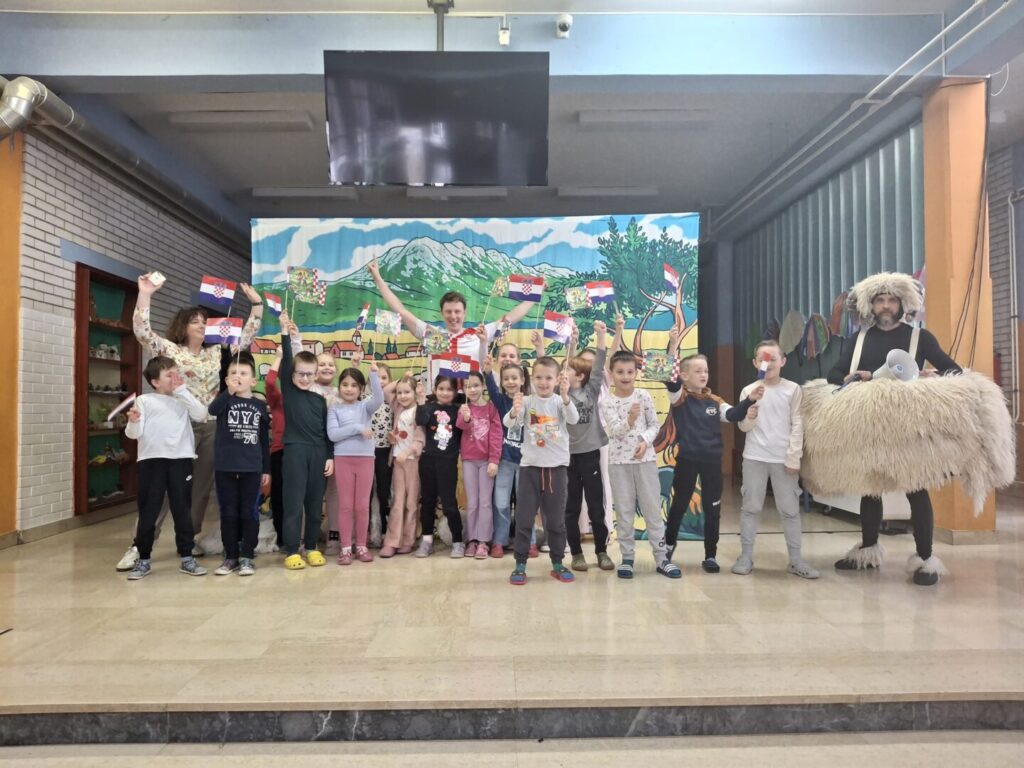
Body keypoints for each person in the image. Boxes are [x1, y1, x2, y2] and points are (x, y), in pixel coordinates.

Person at [116, 274, 263, 571]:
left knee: (199, 488)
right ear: (182, 326)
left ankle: (189, 538)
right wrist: (145, 294)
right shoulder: (170, 350)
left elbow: (246, 338)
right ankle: (140, 544)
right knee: (160, 490)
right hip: (176, 426)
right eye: (195, 321)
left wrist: (257, 306)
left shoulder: (217, 351)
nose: (201, 324)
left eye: (204, 321)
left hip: (210, 426)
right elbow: (142, 332)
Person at [826, 271, 962, 586]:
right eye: (880, 300)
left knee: (916, 489)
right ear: (870, 305)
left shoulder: (920, 338)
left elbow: (953, 369)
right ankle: (868, 551)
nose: (885, 306)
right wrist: (850, 377)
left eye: (891, 300)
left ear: (902, 304)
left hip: (909, 428)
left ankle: (925, 560)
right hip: (871, 426)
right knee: (871, 488)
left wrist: (931, 376)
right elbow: (834, 373)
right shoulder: (857, 340)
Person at [663, 325, 758, 572]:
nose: (703, 374)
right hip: (687, 460)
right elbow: (669, 379)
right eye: (697, 371)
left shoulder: (715, 400)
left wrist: (750, 400)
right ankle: (667, 548)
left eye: (705, 371)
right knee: (679, 505)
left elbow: (734, 415)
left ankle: (710, 555)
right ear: (684, 376)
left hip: (712, 462)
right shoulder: (680, 397)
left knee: (712, 508)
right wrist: (673, 345)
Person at [367, 259, 540, 388]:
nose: (453, 316)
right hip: (438, 401)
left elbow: (510, 318)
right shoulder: (433, 335)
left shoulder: (478, 333)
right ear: (442, 313)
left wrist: (534, 296)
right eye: (448, 312)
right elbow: (401, 311)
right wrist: (378, 278)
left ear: (464, 313)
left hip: (470, 402)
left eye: (457, 311)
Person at [733, 340, 819, 579]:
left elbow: (798, 424)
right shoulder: (749, 390)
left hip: (783, 459)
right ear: (755, 363)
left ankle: (796, 560)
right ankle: (745, 557)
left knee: (790, 511)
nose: (768, 363)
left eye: (772, 358)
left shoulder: (793, 389)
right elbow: (742, 427)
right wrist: (749, 415)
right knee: (751, 508)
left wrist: (794, 457)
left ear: (783, 361)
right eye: (763, 359)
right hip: (754, 457)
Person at [123, 356, 210, 580]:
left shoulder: (183, 399)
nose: (174, 378)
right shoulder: (144, 400)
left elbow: (201, 414)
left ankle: (186, 557)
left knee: (182, 509)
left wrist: (182, 391)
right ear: (155, 382)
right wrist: (133, 421)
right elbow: (133, 434)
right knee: (149, 510)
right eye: (168, 375)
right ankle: (143, 559)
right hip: (151, 461)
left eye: (176, 373)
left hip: (181, 460)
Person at [600, 351, 680, 580]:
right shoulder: (608, 402)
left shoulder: (643, 396)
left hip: (645, 462)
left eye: (630, 372)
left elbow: (654, 425)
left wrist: (645, 441)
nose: (625, 376)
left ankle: (662, 558)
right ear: (612, 374)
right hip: (619, 464)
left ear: (636, 373)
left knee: (653, 510)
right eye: (620, 372)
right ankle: (627, 558)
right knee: (624, 512)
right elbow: (615, 431)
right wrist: (630, 420)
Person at [504, 357, 579, 585]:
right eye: (538, 377)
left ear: (557, 380)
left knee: (555, 521)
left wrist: (566, 397)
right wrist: (515, 410)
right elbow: (509, 423)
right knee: (524, 519)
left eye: (548, 378)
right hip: (530, 469)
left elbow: (574, 419)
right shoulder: (526, 401)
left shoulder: (560, 401)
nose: (543, 382)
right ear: (532, 379)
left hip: (556, 469)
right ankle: (520, 564)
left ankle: (557, 563)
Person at [208, 356, 271, 577]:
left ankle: (247, 556)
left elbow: (263, 440)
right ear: (226, 380)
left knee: (249, 512)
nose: (238, 377)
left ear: (253, 381)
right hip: (225, 467)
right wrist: (228, 392)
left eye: (243, 374)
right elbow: (212, 410)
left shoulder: (260, 406)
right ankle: (231, 556)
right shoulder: (224, 401)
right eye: (233, 374)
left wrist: (266, 469)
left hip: (251, 468)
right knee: (228, 512)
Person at [278, 325, 334, 570]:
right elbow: (287, 359)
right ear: (292, 374)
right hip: (295, 452)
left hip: (318, 453)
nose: (304, 378)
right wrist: (285, 333)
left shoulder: (320, 400)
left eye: (309, 374)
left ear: (315, 375)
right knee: (293, 504)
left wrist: (330, 456)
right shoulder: (289, 392)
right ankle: (292, 550)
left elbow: (327, 432)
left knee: (314, 505)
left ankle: (311, 547)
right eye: (300, 373)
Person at [478, 328, 531, 559]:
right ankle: (499, 541)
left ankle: (528, 541)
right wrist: (488, 370)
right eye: (506, 378)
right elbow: (490, 384)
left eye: (514, 378)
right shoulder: (499, 400)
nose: (510, 382)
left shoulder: (530, 401)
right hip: (504, 460)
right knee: (500, 503)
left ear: (522, 380)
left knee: (525, 504)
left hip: (527, 461)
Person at [564, 320, 612, 572]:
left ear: (581, 376)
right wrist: (571, 343)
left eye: (570, 371)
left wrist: (601, 335)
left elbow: (600, 362)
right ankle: (576, 553)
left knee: (596, 505)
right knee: (571, 507)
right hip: (567, 457)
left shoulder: (591, 390)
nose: (564, 373)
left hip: (590, 454)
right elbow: (565, 363)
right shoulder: (560, 395)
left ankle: (602, 551)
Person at [327, 360, 385, 565]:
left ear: (361, 389)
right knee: (345, 506)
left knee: (361, 506)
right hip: (343, 459)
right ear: (339, 386)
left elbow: (379, 399)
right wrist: (358, 428)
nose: (349, 389)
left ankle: (361, 546)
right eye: (345, 384)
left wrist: (374, 375)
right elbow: (333, 435)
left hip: (366, 459)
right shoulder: (334, 409)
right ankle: (345, 548)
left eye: (354, 385)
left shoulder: (365, 407)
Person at [415, 375, 466, 558]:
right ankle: (427, 540)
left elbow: (465, 428)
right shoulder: (429, 407)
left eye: (449, 389)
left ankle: (458, 542)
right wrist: (421, 401)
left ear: (455, 391)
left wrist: (466, 415)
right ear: (435, 389)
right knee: (427, 502)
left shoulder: (458, 409)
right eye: (441, 389)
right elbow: (421, 420)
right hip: (427, 461)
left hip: (448, 462)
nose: (445, 393)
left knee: (449, 503)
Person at [456, 371, 503, 560]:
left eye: (476, 385)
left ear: (483, 386)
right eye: (468, 386)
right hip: (469, 460)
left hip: (486, 462)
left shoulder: (491, 408)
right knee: (473, 502)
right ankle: (472, 540)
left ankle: (484, 541)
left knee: (485, 502)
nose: (472, 389)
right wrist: (466, 417)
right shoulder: (464, 407)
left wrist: (494, 460)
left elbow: (497, 435)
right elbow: (461, 426)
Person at [380, 376, 424, 557]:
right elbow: (385, 391)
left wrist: (408, 452)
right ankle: (392, 541)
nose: (402, 396)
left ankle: (408, 540)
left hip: (413, 462)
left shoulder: (420, 411)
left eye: (407, 392)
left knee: (411, 503)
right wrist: (402, 378)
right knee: (397, 502)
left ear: (415, 392)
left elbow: (420, 439)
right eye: (399, 393)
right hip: (398, 461)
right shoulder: (398, 407)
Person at [368, 363, 395, 546]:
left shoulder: (393, 401)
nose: (380, 381)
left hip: (385, 451)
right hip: (366, 452)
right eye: (377, 378)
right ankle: (369, 531)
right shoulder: (365, 399)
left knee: (384, 492)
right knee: (368, 493)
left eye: (384, 378)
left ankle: (385, 530)